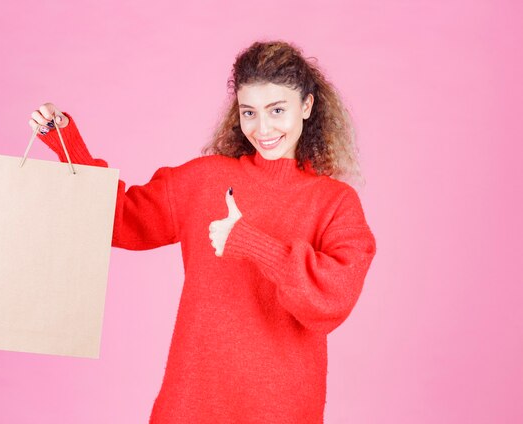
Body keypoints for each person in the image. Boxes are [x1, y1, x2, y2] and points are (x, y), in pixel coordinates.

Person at [29, 40, 377, 424]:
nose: (263, 128)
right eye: (250, 112)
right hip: (191, 404)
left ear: (307, 107)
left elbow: (333, 299)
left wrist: (251, 242)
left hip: (280, 410)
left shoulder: (335, 203)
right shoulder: (204, 179)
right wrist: (68, 144)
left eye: (277, 110)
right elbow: (120, 219)